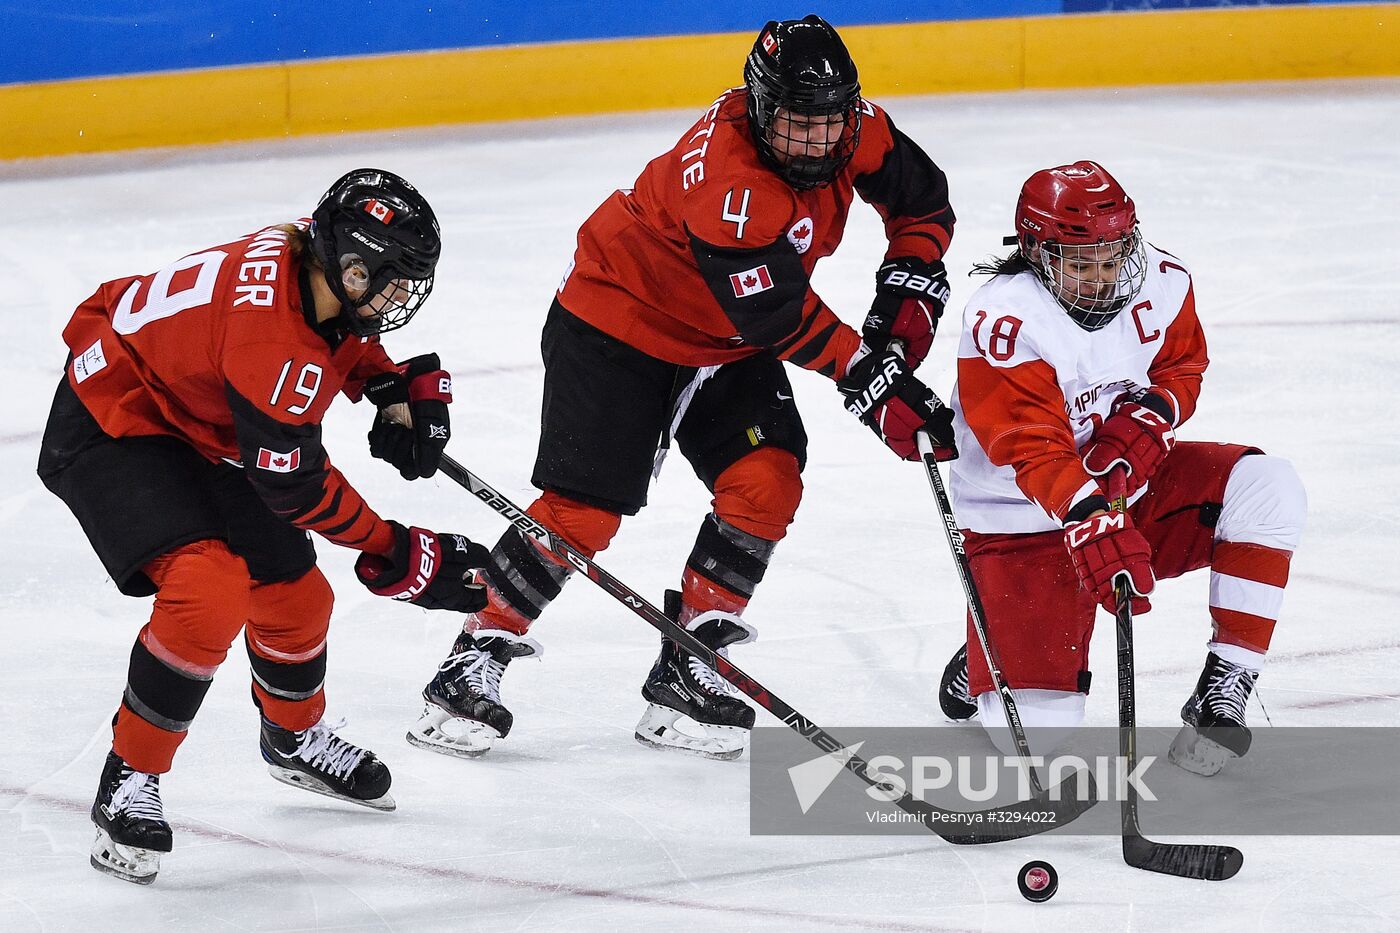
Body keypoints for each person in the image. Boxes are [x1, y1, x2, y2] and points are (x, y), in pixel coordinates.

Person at [407, 14, 958, 762]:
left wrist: (909, 289)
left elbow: (922, 200)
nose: (815, 143)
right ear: (760, 106)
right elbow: (776, 313)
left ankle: (689, 662)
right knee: (583, 512)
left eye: (829, 124)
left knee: (767, 481)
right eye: (797, 124)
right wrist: (869, 376)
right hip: (616, 324)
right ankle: (474, 654)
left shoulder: (855, 129)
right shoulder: (730, 181)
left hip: (721, 344)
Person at [38, 168, 492, 885]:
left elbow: (330, 333)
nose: (397, 298)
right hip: (109, 418)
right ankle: (127, 779)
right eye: (390, 279)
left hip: (184, 416)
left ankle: (292, 738)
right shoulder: (269, 342)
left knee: (297, 596)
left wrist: (381, 382)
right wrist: (395, 549)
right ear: (351, 262)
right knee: (208, 588)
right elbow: (295, 483)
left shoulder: (300, 261)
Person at [935, 161, 1306, 775]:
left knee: (1268, 485)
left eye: (1112, 258)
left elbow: (1183, 365)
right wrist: (1089, 518)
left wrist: (1153, 417)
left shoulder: (1160, 279)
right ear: (1034, 250)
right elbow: (1032, 448)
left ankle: (1226, 685)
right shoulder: (1003, 321)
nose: (1102, 278)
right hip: (1018, 526)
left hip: (1128, 496)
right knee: (1033, 740)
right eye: (1080, 263)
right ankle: (988, 641)